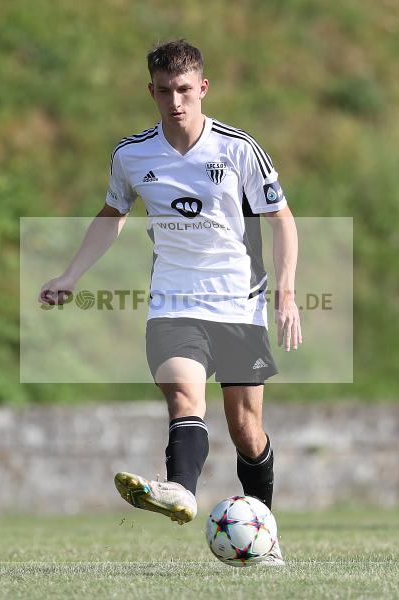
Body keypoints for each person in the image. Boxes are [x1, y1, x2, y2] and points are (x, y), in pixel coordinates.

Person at [39, 40, 300, 565]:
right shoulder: (132, 155)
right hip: (173, 302)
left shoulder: (239, 149)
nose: (174, 101)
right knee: (184, 395)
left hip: (237, 301)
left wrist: (287, 291)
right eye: (163, 91)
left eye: (184, 90)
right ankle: (181, 488)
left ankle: (262, 534)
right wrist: (71, 274)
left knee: (246, 430)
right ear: (151, 91)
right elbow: (112, 214)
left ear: (202, 88)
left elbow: (282, 220)